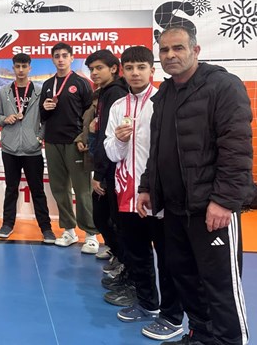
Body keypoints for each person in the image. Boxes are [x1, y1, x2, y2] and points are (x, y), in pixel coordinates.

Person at [137, 26, 251, 345]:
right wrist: (147, 186)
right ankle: (202, 336)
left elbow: (237, 148)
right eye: (164, 50)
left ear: (196, 50)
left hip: (210, 208)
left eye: (178, 48)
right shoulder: (164, 93)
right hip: (175, 208)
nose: (170, 55)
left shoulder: (223, 86)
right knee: (184, 276)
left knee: (220, 284)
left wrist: (224, 200)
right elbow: (157, 148)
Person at [103, 46, 184, 341]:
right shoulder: (117, 107)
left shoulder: (162, 102)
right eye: (130, 67)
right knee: (136, 254)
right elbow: (111, 153)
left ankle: (172, 316)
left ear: (152, 69)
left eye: (141, 67)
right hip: (126, 192)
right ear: (122, 71)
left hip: (159, 196)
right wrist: (120, 141)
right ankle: (148, 303)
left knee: (168, 258)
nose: (135, 73)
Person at [39, 43, 98, 250]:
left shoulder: (81, 83)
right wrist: (45, 108)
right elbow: (42, 115)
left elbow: (90, 114)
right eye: (57, 56)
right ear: (52, 59)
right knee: (59, 188)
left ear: (72, 58)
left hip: (75, 142)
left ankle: (91, 233)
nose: (61, 59)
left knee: (82, 190)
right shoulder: (48, 84)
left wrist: (85, 138)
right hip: (52, 142)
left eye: (65, 55)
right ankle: (69, 230)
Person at [0, 53, 54, 243]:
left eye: (24, 66)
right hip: (10, 149)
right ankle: (7, 224)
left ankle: (46, 228)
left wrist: (39, 138)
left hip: (32, 149)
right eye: (17, 66)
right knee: (11, 189)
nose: (20, 70)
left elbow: (46, 118)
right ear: (13, 68)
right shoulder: (4, 91)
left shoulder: (39, 91)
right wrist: (5, 119)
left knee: (37, 190)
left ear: (30, 68)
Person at [88, 49, 129, 275]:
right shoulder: (105, 92)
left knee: (108, 218)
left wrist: (99, 174)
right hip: (107, 165)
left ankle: (124, 260)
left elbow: (108, 137)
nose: (94, 73)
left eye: (99, 68)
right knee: (103, 217)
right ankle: (118, 252)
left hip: (112, 168)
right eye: (91, 69)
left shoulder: (116, 93)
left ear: (113, 68)